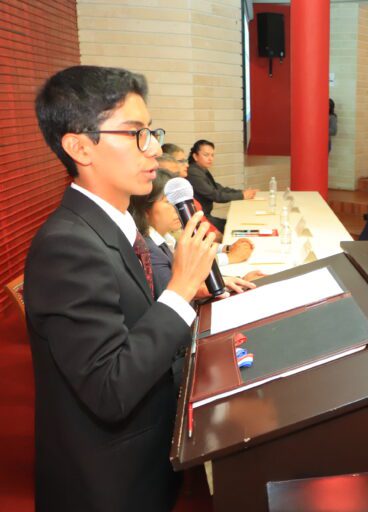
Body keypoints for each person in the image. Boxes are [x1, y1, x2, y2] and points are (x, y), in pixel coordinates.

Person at [26, 65, 220, 511]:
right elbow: (109, 388)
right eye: (135, 133)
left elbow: (134, 316)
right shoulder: (67, 246)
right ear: (79, 146)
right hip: (108, 486)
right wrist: (181, 289)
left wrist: (190, 292)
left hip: (150, 461)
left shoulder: (117, 222)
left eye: (151, 131)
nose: (153, 150)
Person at [129, 169, 257, 296]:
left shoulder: (166, 239)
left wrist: (239, 280)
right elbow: (173, 298)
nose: (177, 208)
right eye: (169, 202)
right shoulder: (149, 250)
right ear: (145, 208)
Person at [186, 139, 257, 232]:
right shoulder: (193, 172)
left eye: (212, 155)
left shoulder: (201, 169)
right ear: (195, 156)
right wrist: (242, 196)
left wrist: (240, 192)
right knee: (234, 227)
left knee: (234, 224)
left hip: (205, 216)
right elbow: (215, 195)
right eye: (206, 155)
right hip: (201, 219)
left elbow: (218, 188)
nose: (210, 158)